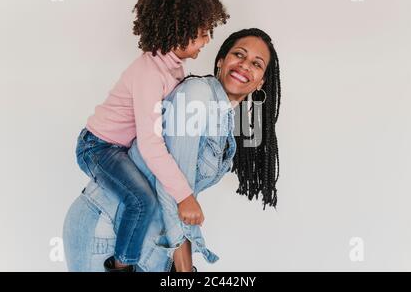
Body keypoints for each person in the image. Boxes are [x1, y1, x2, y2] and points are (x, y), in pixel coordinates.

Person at [64, 28, 281, 272]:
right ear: (221, 60)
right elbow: (174, 192)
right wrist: (185, 271)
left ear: (261, 81)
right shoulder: (197, 95)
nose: (244, 65)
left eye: (256, 63)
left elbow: (184, 194)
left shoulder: (224, 117)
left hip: (147, 243)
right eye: (239, 54)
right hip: (105, 231)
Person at [74, 0, 228, 272]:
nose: (207, 40)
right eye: (202, 33)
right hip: (98, 147)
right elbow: (151, 143)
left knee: (147, 197)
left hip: (118, 147)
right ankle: (122, 267)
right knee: (141, 200)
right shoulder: (149, 73)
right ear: (178, 32)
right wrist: (184, 196)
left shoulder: (174, 68)